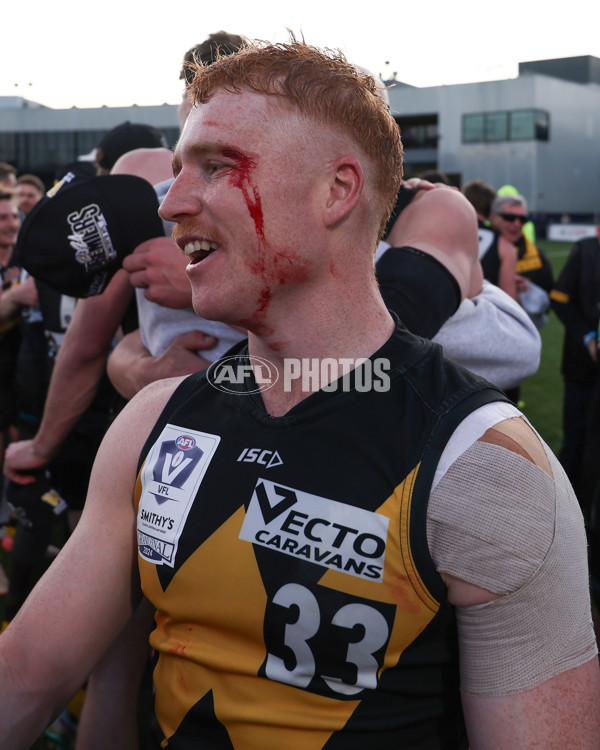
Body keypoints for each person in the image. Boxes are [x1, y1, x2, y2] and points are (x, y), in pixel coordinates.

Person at [0, 40, 597, 750]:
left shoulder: (484, 470)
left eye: (217, 167)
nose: (172, 204)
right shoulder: (155, 426)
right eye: (179, 169)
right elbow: (26, 678)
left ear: (337, 192)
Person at [461, 179, 518, 301]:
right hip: (484, 313)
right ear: (491, 210)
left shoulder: (444, 231)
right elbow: (509, 299)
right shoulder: (503, 245)